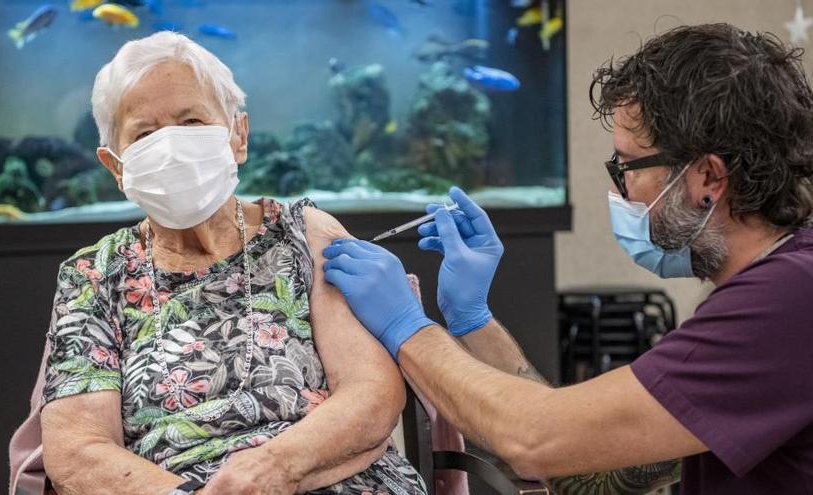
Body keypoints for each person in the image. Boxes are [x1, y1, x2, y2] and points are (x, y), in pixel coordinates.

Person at [323, 24, 813, 494]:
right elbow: (589, 476)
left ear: (708, 177)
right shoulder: (776, 288)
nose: (618, 190)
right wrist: (474, 321)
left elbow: (536, 441)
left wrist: (409, 329)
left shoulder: (788, 304)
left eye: (626, 167)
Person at [39, 31, 427, 495]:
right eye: (145, 133)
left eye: (192, 121)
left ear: (237, 135)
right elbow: (77, 449)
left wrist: (271, 469)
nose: (171, 145)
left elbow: (372, 396)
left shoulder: (307, 234)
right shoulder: (94, 275)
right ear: (116, 166)